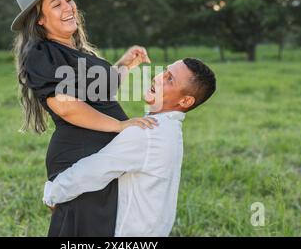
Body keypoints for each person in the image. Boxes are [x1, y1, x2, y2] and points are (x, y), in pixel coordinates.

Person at [11, 0, 157, 236]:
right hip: (79, 157)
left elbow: (100, 90)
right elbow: (66, 105)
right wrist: (120, 126)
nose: (69, 7)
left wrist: (125, 64)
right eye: (56, 4)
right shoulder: (41, 53)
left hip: (103, 157)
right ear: (40, 19)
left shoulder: (73, 50)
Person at [43, 58, 216, 236]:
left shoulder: (147, 132)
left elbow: (93, 170)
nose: (157, 78)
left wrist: (53, 194)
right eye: (164, 71)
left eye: (169, 79)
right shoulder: (169, 130)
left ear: (185, 101)